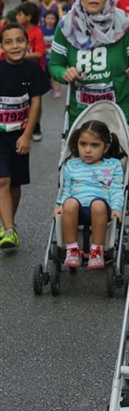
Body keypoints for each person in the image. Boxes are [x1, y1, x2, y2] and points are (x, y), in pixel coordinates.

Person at [49, 0, 129, 126]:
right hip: (80, 114)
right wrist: (64, 73)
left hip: (120, 114)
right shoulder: (66, 26)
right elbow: (55, 65)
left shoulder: (124, 24)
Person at [0, 23, 50, 249]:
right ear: (1, 46)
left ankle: (7, 221)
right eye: (8, 42)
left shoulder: (33, 70)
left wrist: (27, 135)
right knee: (3, 180)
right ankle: (9, 230)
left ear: (27, 43)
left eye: (19, 41)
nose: (15, 46)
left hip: (20, 135)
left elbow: (36, 104)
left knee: (16, 182)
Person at [52, 120, 124, 270]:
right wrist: (61, 205)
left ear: (106, 147)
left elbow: (116, 189)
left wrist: (117, 208)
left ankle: (97, 251)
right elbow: (67, 189)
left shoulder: (113, 165)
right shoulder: (72, 165)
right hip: (76, 211)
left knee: (98, 204)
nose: (87, 150)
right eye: (83, 144)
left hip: (102, 211)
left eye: (94, 145)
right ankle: (72, 250)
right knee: (70, 203)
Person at [16, 2, 46, 142]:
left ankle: (36, 126)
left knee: (35, 101)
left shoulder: (37, 32)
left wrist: (20, 55)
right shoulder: (17, 31)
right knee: (21, 100)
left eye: (19, 14)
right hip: (19, 71)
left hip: (35, 72)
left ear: (28, 17)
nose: (16, 17)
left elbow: (40, 53)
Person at [40, 10, 61, 98]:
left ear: (56, 20)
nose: (50, 20)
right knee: (46, 74)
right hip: (45, 56)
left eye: (52, 18)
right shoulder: (41, 30)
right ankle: (50, 85)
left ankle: (58, 90)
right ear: (44, 19)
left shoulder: (58, 30)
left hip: (55, 56)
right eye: (48, 18)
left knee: (55, 74)